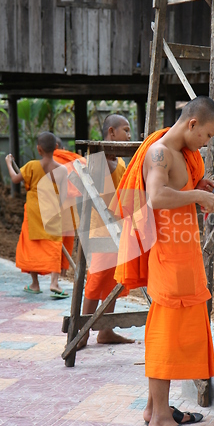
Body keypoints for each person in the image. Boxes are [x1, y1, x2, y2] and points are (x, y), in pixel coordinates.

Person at [113, 96, 214, 426]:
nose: (206, 143)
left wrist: (196, 188)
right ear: (192, 124)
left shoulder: (181, 154)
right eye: (206, 135)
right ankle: (160, 421)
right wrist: (195, 195)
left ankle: (154, 408)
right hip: (169, 258)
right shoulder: (159, 152)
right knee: (166, 333)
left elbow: (173, 189)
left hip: (183, 251)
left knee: (178, 333)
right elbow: (157, 197)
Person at [77, 114, 135, 349]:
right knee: (97, 277)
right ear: (111, 132)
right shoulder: (99, 160)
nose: (129, 136)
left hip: (119, 228)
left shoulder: (119, 161)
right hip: (101, 229)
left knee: (114, 279)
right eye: (126, 130)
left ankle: (105, 329)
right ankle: (81, 331)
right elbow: (94, 195)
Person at [5, 131, 68, 295]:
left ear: (39, 149)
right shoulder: (62, 170)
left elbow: (15, 179)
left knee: (32, 245)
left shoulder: (32, 166)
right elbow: (63, 196)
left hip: (34, 212)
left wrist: (8, 164)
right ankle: (54, 283)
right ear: (56, 147)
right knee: (54, 245)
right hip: (53, 212)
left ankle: (35, 284)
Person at [53, 137, 84, 276]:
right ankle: (63, 273)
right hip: (71, 206)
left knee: (55, 242)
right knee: (68, 239)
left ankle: (54, 275)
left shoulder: (51, 160)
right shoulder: (73, 159)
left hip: (56, 206)